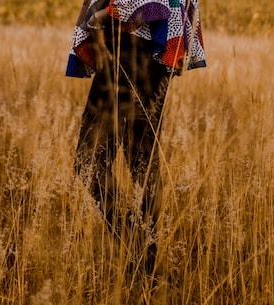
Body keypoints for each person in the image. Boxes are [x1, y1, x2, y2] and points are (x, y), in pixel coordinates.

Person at [66, 0, 206, 277]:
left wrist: (101, 18)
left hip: (130, 41)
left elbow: (151, 4)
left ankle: (139, 251)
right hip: (153, 44)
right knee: (143, 163)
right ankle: (147, 267)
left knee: (90, 160)